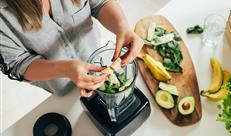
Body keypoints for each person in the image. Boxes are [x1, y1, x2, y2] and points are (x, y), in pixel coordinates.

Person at [0, 0, 143, 97]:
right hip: (61, 86)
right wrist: (66, 69)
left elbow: (100, 3)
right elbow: (18, 64)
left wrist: (122, 27)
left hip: (94, 55)